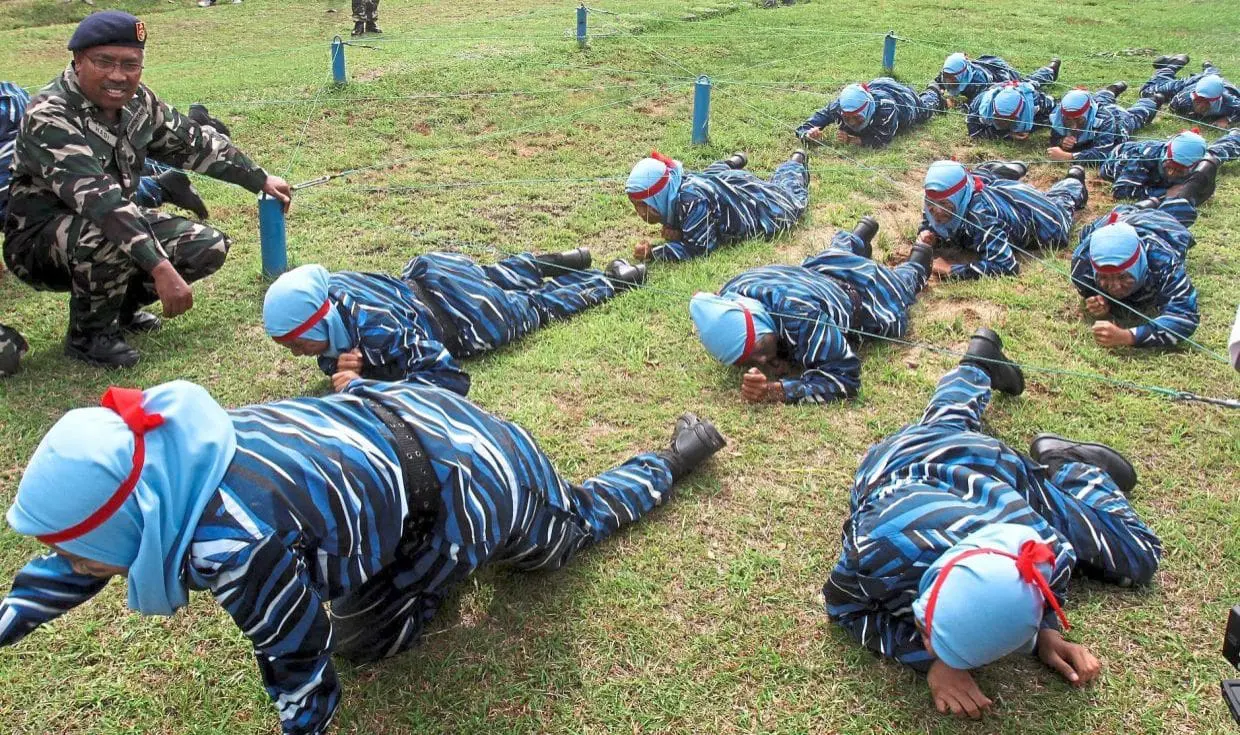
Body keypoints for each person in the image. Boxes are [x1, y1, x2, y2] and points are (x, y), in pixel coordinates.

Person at [0, 378, 727, 735]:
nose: (64, 559)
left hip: (464, 475)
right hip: (404, 425)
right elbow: (73, 565)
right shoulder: (168, 463)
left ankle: (675, 457)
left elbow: (295, 653)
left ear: (135, 522)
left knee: (570, 528)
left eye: (73, 543)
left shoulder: (235, 541)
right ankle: (411, 571)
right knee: (364, 623)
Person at [824, 330, 1162, 718]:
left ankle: (1000, 391)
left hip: (985, 475)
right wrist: (930, 663)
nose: (930, 645)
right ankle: (993, 383)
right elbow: (842, 604)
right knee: (944, 429)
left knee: (1138, 556)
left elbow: (1036, 591)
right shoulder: (877, 546)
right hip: (901, 462)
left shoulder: (1048, 551)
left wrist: (1044, 631)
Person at [2, 12, 292, 369]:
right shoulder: (50, 113)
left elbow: (194, 142)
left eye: (130, 64)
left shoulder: (138, 102)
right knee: (110, 236)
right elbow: (101, 202)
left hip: (109, 222)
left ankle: (119, 312)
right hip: (38, 245)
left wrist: (259, 178)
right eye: (104, 62)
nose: (118, 75)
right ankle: (89, 337)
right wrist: (159, 267)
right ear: (77, 61)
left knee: (207, 246)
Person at [263, 250, 647, 394]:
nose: (299, 354)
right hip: (434, 271)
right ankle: (560, 259)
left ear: (319, 321)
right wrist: (339, 363)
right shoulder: (334, 287)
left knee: (537, 306)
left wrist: (363, 386)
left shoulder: (376, 330)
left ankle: (615, 279)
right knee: (494, 273)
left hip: (466, 319)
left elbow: (448, 379)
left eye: (299, 343)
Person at [688, 217, 931, 404]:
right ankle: (857, 236)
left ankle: (918, 261)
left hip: (864, 295)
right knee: (835, 253)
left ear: (759, 322)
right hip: (820, 268)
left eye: (760, 350)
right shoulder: (735, 291)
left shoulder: (800, 317)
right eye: (747, 360)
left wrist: (777, 390)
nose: (762, 362)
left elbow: (845, 378)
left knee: (899, 292)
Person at [627, 150, 809, 263]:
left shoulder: (692, 202)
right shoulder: (675, 187)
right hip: (722, 184)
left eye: (643, 205)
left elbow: (701, 247)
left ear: (659, 197)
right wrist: (675, 227)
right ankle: (731, 163)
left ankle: (794, 164)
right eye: (635, 206)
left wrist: (655, 253)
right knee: (709, 174)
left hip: (752, 203)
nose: (640, 212)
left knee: (787, 203)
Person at [918, 159, 1087, 280]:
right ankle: (994, 171)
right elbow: (928, 219)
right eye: (931, 203)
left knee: (1060, 200)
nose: (936, 211)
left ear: (959, 197)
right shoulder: (936, 198)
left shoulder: (981, 218)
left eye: (945, 204)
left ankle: (1073, 181)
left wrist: (952, 270)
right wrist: (926, 233)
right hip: (1004, 195)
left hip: (1043, 220)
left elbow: (1006, 266)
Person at [1069, 197, 1199, 350]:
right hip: (1113, 221)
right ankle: (1141, 205)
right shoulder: (1082, 268)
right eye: (1104, 277)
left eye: (1123, 276)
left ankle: (1170, 197)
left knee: (1181, 209)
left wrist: (1129, 336)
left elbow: (1185, 317)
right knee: (1120, 213)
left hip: (1158, 225)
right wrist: (1100, 302)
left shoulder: (1163, 261)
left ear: (1139, 264)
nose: (1115, 286)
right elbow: (1090, 291)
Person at [1098, 128, 1240, 203]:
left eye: (1179, 170)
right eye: (1170, 167)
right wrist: (1164, 193)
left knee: (1218, 153)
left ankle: (1235, 136)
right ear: (1166, 156)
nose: (1172, 173)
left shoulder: (1200, 163)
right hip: (1118, 162)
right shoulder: (1145, 157)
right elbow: (1121, 191)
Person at [795, 78, 946, 148]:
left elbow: (882, 139)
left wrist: (853, 140)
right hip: (875, 85)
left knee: (926, 110)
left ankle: (934, 90)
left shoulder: (887, 109)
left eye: (856, 117)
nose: (852, 122)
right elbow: (807, 125)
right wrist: (808, 134)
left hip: (903, 99)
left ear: (867, 108)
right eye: (847, 118)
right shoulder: (839, 106)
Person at [1046, 82, 1160, 164]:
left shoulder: (1106, 119)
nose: (1074, 126)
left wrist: (1069, 157)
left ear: (1087, 113)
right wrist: (1061, 141)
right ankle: (1111, 90)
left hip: (1118, 119)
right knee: (1100, 99)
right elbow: (1054, 136)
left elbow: (1104, 153)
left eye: (1078, 120)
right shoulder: (1059, 113)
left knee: (1135, 117)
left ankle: (1152, 101)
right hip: (1096, 104)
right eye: (1068, 120)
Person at [1139, 55, 1239, 127]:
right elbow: (1172, 107)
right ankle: (1174, 63)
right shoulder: (1184, 100)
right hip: (1194, 82)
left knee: (1214, 76)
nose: (1199, 105)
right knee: (1147, 92)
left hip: (1225, 86)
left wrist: (1227, 119)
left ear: (1216, 100)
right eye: (1197, 99)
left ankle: (1209, 68)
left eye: (1204, 101)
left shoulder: (1230, 103)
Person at [936, 52, 1060, 105]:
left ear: (962, 74)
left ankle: (1050, 71)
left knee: (1024, 85)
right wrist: (937, 89)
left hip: (1002, 75)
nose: (948, 81)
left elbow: (979, 102)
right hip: (987, 64)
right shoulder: (949, 72)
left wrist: (957, 104)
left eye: (952, 78)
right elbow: (936, 82)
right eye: (946, 77)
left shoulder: (979, 83)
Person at [965, 81, 1054, 141]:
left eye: (1007, 120)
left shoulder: (1036, 102)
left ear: (1017, 116)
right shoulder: (981, 103)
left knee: (1034, 82)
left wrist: (1031, 128)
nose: (1001, 123)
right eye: (997, 117)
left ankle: (1049, 71)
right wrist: (1008, 134)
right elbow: (974, 133)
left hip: (1022, 88)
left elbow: (1053, 113)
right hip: (1000, 85)